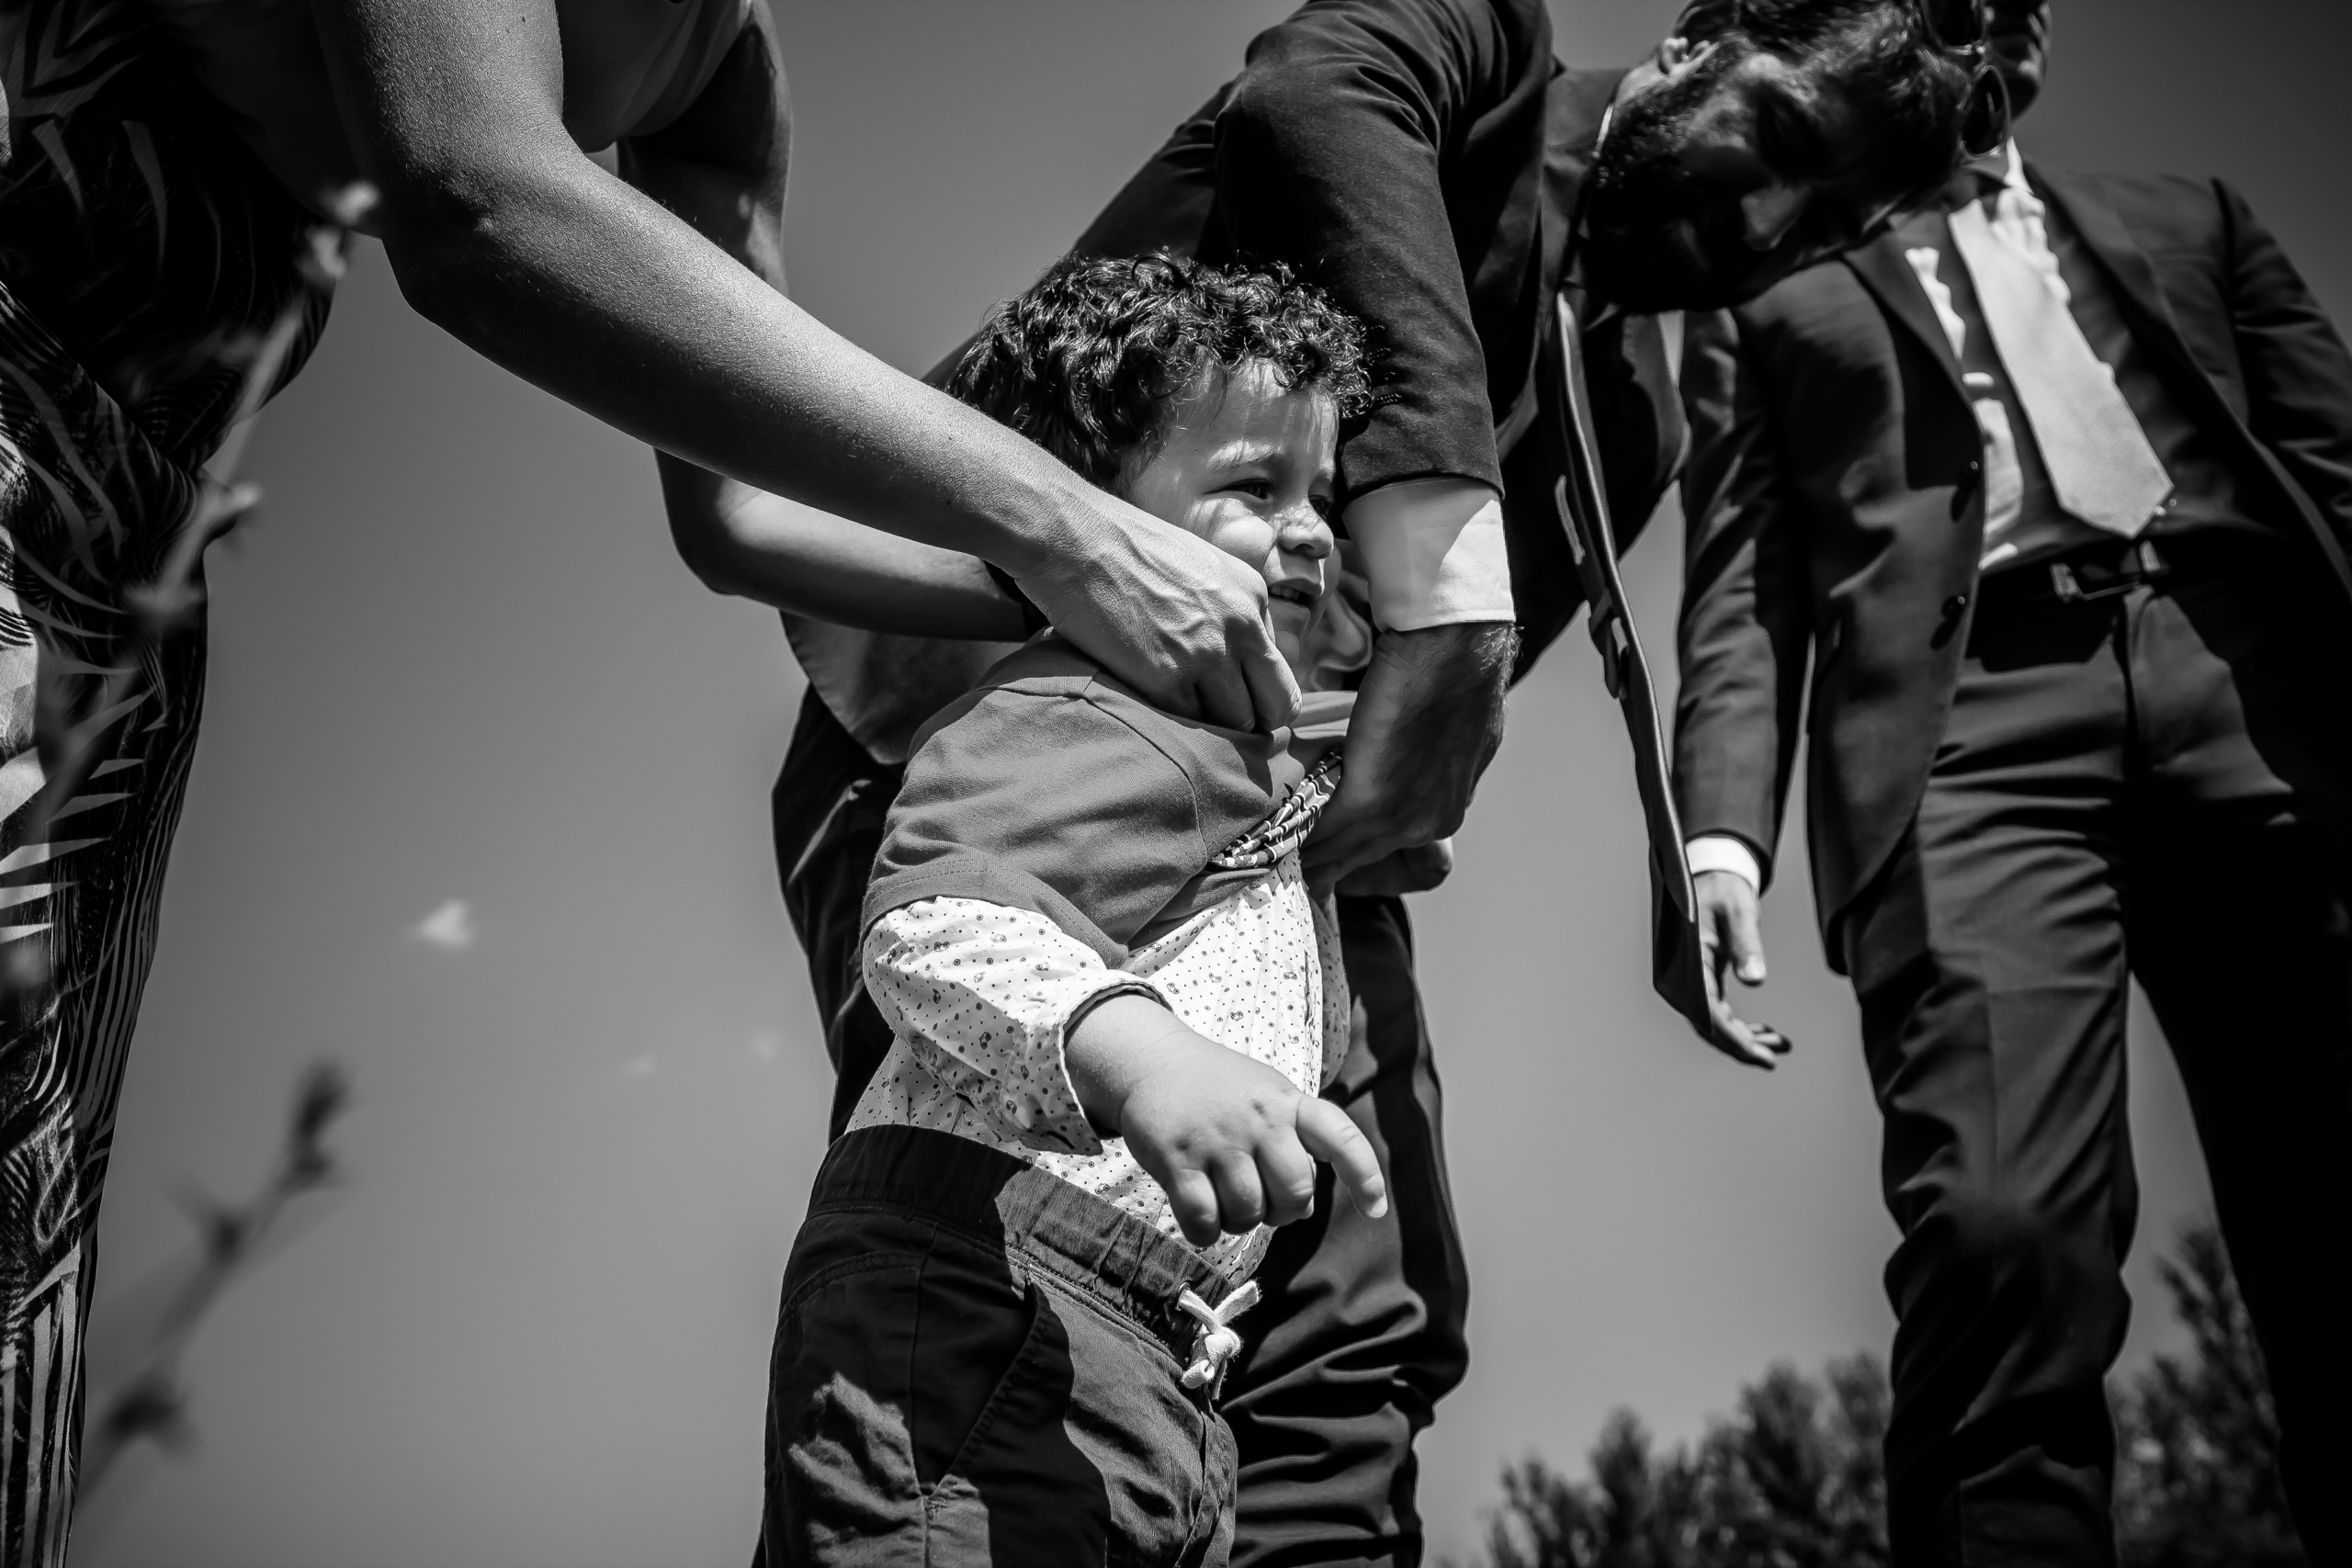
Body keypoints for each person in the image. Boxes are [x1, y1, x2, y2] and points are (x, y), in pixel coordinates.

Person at [678, 2, 1984, 1560]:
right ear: (1702, 41)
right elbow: (1304, 92)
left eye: (1829, 223)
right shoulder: (1462, 54)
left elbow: (1422, 713)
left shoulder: (1635, 408)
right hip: (1011, 736)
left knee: (1371, 1312)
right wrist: (1442, 554)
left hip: (1292, 851)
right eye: (1778, 139)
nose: (1772, 223)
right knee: (1010, 1238)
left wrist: (1662, 846)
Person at [0, 2, 1291, 1559]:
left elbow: (732, 519)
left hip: (130, 547)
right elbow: (477, 200)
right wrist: (1071, 528)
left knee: (28, 1234)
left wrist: (1069, 597)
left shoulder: (719, 73)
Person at [1672, 12, 2352, 1561]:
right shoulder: (1770, 302)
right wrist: (1719, 837)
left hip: (2250, 691)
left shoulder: (2196, 221)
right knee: (1998, 1230)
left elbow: (2336, 467)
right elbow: (1741, 588)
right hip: (1971, 746)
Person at [760, 253, 1389, 1567]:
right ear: (1092, 522)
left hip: (1150, 1356)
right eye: (1255, 489)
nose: (1316, 528)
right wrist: (1140, 1051)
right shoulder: (1086, 704)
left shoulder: (1229, 736)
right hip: (992, 1291)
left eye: (1319, 492)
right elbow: (930, 916)